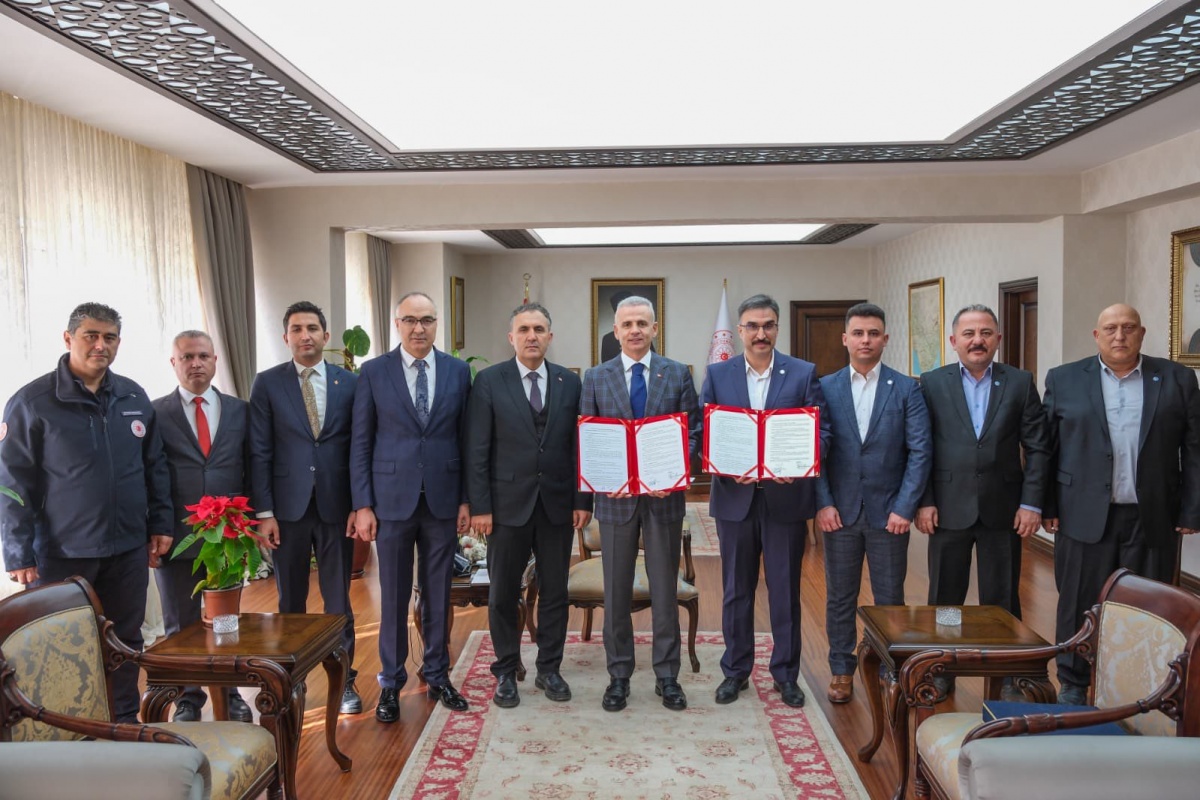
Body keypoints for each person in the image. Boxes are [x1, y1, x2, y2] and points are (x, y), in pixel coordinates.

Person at [0, 302, 173, 722]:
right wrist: (18, 552)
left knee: (125, 639)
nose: (100, 345)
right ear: (68, 338)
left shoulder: (133, 396)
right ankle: (69, 726)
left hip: (127, 547)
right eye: (90, 336)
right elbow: (12, 484)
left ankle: (123, 721)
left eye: (109, 337)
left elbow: (155, 466)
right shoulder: (32, 402)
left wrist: (160, 524)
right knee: (61, 645)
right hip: (62, 553)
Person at [1043, 303, 1200, 704]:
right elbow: (1046, 449)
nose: (1119, 336)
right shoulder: (1064, 379)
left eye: (1128, 328)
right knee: (1078, 600)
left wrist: (1192, 508)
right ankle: (1073, 682)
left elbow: (1194, 449)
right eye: (1110, 328)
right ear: (1096, 336)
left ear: (1141, 333)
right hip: (1081, 512)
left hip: (1153, 515)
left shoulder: (1178, 379)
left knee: (1150, 604)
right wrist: (1047, 506)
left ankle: (1143, 685)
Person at [696, 294, 830, 708]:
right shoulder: (718, 374)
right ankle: (735, 671)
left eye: (768, 325)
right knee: (736, 589)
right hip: (734, 498)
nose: (760, 333)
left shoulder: (803, 373)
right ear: (739, 331)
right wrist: (721, 465)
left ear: (777, 329)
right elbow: (704, 432)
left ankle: (786, 675)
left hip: (785, 499)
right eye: (752, 326)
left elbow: (822, 433)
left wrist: (801, 463)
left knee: (785, 590)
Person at [915, 304, 1049, 698]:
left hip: (1003, 508)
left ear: (998, 339)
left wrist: (1032, 504)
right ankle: (942, 668)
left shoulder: (1020, 382)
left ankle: (1006, 674)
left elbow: (1038, 448)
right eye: (969, 333)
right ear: (953, 340)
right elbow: (921, 447)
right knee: (946, 598)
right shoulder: (932, 383)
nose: (978, 340)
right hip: (947, 507)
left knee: (1002, 598)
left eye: (986, 333)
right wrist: (925, 500)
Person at [350, 291, 472, 721]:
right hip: (390, 501)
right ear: (397, 324)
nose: (419, 328)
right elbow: (361, 442)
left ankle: (437, 675)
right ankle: (390, 682)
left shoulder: (458, 371)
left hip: (443, 498)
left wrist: (466, 499)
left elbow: (466, 440)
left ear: (437, 324)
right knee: (394, 596)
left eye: (427, 320)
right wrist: (363, 504)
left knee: (438, 594)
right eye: (410, 320)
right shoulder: (374, 372)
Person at [465, 303, 593, 708]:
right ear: (511, 337)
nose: (531, 336)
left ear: (550, 337)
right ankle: (505, 670)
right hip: (506, 508)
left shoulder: (570, 383)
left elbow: (579, 446)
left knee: (555, 591)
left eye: (539, 329)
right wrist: (481, 507)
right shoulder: (489, 381)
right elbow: (477, 448)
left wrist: (582, 499)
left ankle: (549, 669)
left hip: (557, 505)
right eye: (524, 329)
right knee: (503, 592)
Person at [581, 295, 700, 711]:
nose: (635, 330)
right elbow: (588, 437)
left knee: (665, 590)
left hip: (664, 500)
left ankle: (667, 676)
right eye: (627, 324)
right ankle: (619, 676)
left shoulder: (677, 373)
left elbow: (693, 432)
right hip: (615, 502)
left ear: (654, 329)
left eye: (642, 323)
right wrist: (602, 478)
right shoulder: (596, 378)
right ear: (615, 331)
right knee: (616, 592)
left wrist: (674, 471)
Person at [248, 301, 361, 715]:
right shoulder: (267, 384)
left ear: (326, 336)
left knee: (338, 602)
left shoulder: (350, 383)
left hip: (337, 507)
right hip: (287, 510)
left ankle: (344, 681)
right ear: (286, 338)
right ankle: (291, 681)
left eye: (312, 328)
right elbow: (259, 451)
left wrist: (360, 504)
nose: (305, 335)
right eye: (296, 329)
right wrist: (264, 513)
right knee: (290, 601)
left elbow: (359, 448)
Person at [815, 303, 931, 704]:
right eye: (859, 333)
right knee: (840, 596)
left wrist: (905, 506)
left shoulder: (907, 389)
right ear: (845, 338)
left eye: (873, 333)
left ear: (885, 339)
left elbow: (920, 452)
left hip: (889, 515)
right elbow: (815, 452)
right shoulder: (824, 387)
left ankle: (889, 666)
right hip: (840, 512)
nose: (866, 340)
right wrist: (823, 503)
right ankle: (841, 669)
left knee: (890, 597)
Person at [153, 330, 253, 722]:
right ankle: (188, 699)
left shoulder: (240, 411)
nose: (195, 363)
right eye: (187, 357)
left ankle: (230, 694)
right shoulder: (155, 413)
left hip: (227, 536)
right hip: (175, 534)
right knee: (180, 623)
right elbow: (150, 475)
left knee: (225, 622)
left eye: (202, 356)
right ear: (173, 363)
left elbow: (252, 466)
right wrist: (155, 528)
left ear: (215, 360)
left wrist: (251, 524)